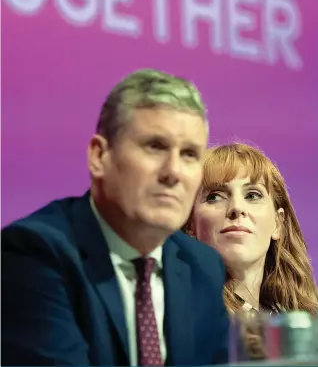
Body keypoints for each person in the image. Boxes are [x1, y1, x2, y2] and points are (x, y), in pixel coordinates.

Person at [2, 69, 229, 367]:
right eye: (155, 146)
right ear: (99, 156)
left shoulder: (202, 266)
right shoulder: (34, 253)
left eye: (189, 154)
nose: (173, 172)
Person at [183, 142, 318, 315]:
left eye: (252, 195)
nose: (236, 208)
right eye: (215, 196)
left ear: (277, 224)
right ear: (190, 225)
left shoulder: (303, 321)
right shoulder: (174, 312)